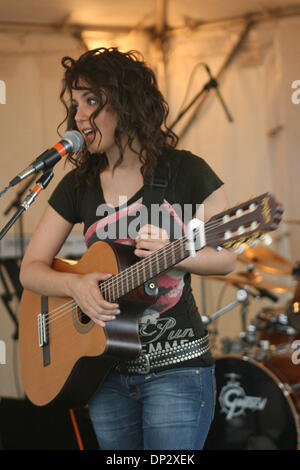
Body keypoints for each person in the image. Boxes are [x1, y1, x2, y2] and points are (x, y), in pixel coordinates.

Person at [20, 47, 236, 450]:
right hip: (103, 373)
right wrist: (77, 286)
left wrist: (176, 250)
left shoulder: (186, 171)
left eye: (91, 100)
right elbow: (30, 268)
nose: (79, 115)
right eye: (74, 104)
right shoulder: (78, 185)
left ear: (128, 103)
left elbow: (227, 257)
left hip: (177, 369)